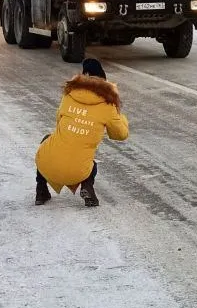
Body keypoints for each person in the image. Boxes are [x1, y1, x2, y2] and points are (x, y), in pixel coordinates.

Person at [34, 58, 129, 207]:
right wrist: (119, 116)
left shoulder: (68, 95)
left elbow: (59, 122)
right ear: (104, 80)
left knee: (47, 141)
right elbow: (121, 134)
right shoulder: (108, 104)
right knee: (91, 162)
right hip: (78, 171)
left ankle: (41, 190)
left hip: (47, 164)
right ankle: (87, 187)